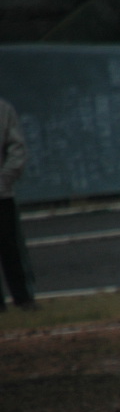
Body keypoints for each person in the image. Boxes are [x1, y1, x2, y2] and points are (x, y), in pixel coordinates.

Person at [0, 97, 37, 312]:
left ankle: (23, 297)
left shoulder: (3, 110)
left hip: (2, 194)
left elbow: (16, 147)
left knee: (11, 247)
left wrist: (4, 179)